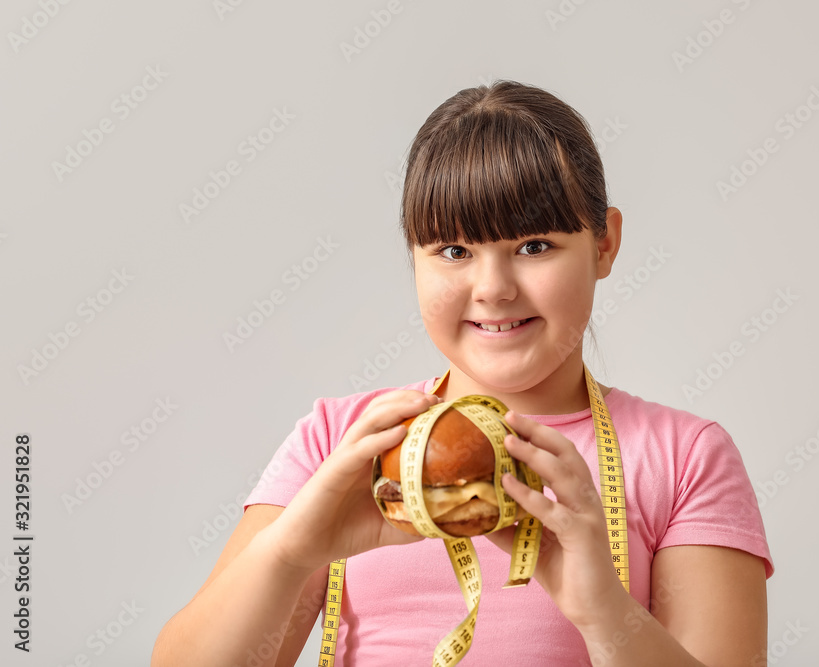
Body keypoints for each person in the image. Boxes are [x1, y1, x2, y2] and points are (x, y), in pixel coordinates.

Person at [152, 79, 774, 667]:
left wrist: (604, 614)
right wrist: (289, 554)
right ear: (413, 258)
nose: (494, 289)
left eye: (534, 246)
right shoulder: (341, 442)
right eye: (454, 251)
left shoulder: (684, 457)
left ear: (605, 243)